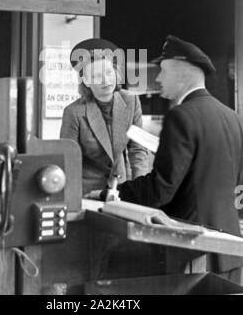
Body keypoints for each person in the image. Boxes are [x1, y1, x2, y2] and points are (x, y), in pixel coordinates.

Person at [112, 35, 243, 283]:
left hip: (192, 249)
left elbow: (161, 190)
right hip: (230, 248)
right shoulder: (233, 117)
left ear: (182, 74)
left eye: (162, 71)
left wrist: (116, 195)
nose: (159, 79)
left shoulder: (181, 116)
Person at [60, 38, 151, 197]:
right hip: (87, 192)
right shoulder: (73, 112)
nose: (105, 80)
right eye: (96, 76)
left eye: (109, 72)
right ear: (86, 82)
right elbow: (68, 159)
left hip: (121, 189)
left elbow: (138, 150)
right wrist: (73, 196)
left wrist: (140, 190)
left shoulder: (131, 101)